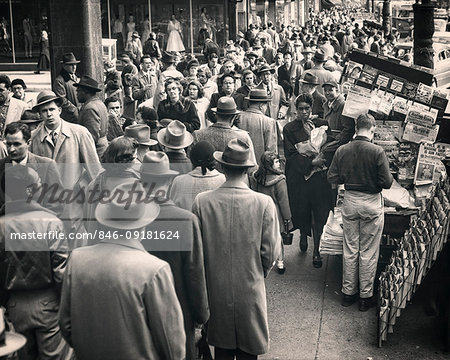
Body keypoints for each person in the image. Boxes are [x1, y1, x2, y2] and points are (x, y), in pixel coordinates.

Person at [59, 180, 186, 359]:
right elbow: (172, 344)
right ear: (143, 225)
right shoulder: (154, 269)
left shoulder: (78, 258)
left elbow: (66, 324)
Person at [192, 138, 281, 360]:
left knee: (221, 349)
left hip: (216, 290)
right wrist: (258, 273)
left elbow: (196, 253)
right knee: (249, 351)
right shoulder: (263, 203)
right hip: (250, 288)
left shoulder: (202, 202)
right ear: (248, 170)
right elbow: (270, 253)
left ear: (222, 166)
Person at [140, 151, 209, 360]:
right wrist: (201, 315)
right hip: (180, 311)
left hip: (141, 314)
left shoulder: (128, 219)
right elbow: (195, 272)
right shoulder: (186, 220)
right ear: (169, 181)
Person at [0, 165, 73, 360]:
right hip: (49, 304)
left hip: (14, 307)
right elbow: (61, 271)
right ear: (30, 190)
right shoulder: (50, 222)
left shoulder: (1, 225)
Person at [327, 113, 393, 311]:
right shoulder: (377, 151)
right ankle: (365, 297)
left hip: (350, 200)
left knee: (350, 248)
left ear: (356, 129)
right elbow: (387, 183)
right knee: (368, 252)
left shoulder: (342, 150)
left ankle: (348, 294)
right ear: (372, 130)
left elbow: (332, 177)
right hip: (371, 203)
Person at [29, 91, 102, 237]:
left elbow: (95, 171)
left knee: (76, 242)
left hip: (75, 200)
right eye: (44, 111)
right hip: (47, 203)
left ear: (59, 110)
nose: (49, 114)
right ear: (39, 114)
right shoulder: (34, 138)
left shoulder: (79, 133)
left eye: (52, 109)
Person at [283, 93, 333, 268]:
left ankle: (316, 251)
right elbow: (290, 154)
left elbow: (330, 145)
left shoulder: (322, 125)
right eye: (301, 109)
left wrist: (322, 158)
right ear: (296, 110)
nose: (304, 112)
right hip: (299, 177)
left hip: (319, 178)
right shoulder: (289, 129)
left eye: (307, 109)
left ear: (312, 109)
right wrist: (311, 162)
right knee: (303, 211)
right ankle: (303, 236)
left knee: (319, 214)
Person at [0, 122, 64, 215]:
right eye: (8, 144)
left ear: (28, 143)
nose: (11, 149)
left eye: (17, 144)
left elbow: (56, 205)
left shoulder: (47, 166)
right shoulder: (1, 166)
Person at [249, 151, 291, 274]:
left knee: (262, 237)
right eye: (276, 162)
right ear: (270, 164)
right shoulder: (280, 180)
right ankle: (280, 262)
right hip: (275, 212)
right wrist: (287, 218)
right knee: (277, 238)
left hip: (260, 210)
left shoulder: (256, 177)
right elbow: (284, 201)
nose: (279, 164)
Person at [194, 97, 257, 167]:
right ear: (234, 117)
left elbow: (191, 165)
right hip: (234, 177)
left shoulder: (198, 135)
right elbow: (252, 166)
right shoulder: (243, 137)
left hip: (205, 176)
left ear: (216, 115)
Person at [170, 141, 225, 210]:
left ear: (192, 160)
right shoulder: (223, 180)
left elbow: (173, 207)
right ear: (214, 160)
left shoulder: (179, 181)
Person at [238, 88, 277, 165]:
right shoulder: (269, 122)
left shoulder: (238, 117)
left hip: (239, 165)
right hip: (260, 168)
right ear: (261, 106)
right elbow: (271, 151)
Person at [75, 75, 109, 159]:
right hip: (102, 146)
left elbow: (91, 137)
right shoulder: (99, 103)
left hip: (96, 151)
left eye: (79, 91)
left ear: (86, 91)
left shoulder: (89, 108)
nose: (76, 94)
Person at [53, 52, 80, 124]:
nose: (74, 67)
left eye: (75, 64)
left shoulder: (77, 78)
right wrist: (75, 110)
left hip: (80, 113)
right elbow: (62, 99)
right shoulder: (59, 81)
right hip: (69, 117)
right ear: (64, 66)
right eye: (71, 65)